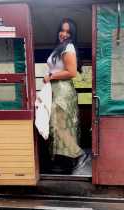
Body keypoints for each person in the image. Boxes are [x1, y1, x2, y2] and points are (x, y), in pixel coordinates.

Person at [43, 18, 88, 174]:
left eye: (68, 31)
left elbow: (72, 72)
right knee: (57, 125)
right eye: (62, 30)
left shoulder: (68, 47)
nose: (64, 34)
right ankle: (63, 160)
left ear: (72, 34)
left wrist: (51, 76)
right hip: (57, 90)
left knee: (59, 126)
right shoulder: (60, 47)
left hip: (62, 91)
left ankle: (79, 155)